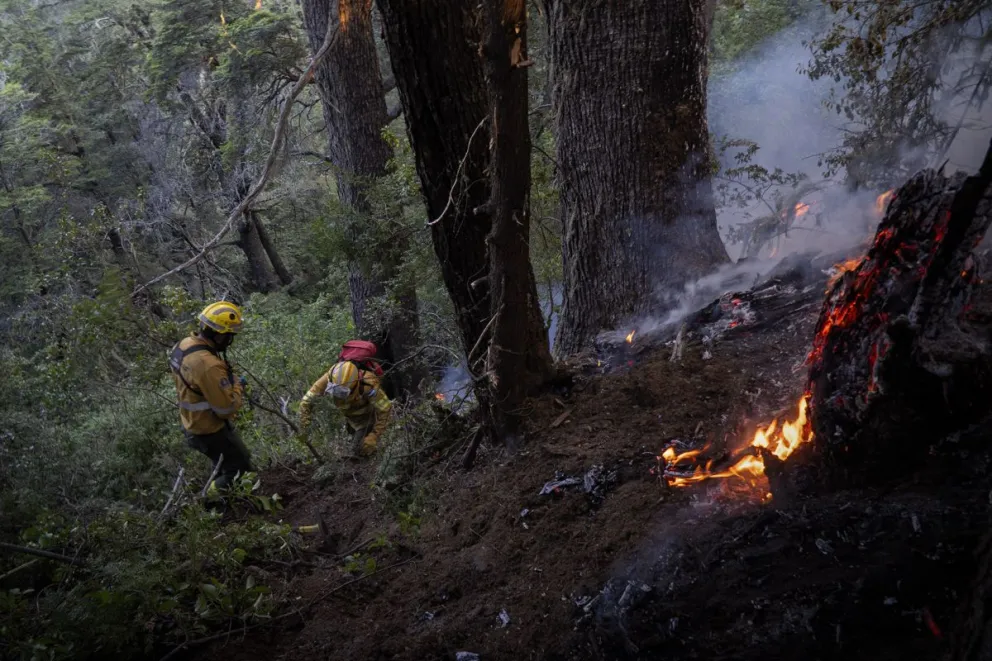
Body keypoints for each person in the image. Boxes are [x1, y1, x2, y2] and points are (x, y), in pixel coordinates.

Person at [169, 301, 253, 492]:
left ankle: (218, 498)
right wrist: (236, 386)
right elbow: (227, 409)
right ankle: (208, 498)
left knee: (221, 463)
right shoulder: (208, 365)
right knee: (240, 469)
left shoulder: (183, 346)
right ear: (219, 335)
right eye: (229, 336)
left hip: (191, 423)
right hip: (209, 429)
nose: (230, 340)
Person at [299, 359, 392, 457]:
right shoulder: (329, 377)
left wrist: (374, 435)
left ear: (354, 385)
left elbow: (385, 410)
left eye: (342, 392)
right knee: (351, 443)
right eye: (334, 390)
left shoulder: (369, 384)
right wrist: (304, 426)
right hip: (348, 418)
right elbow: (306, 401)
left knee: (361, 450)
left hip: (365, 419)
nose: (338, 395)